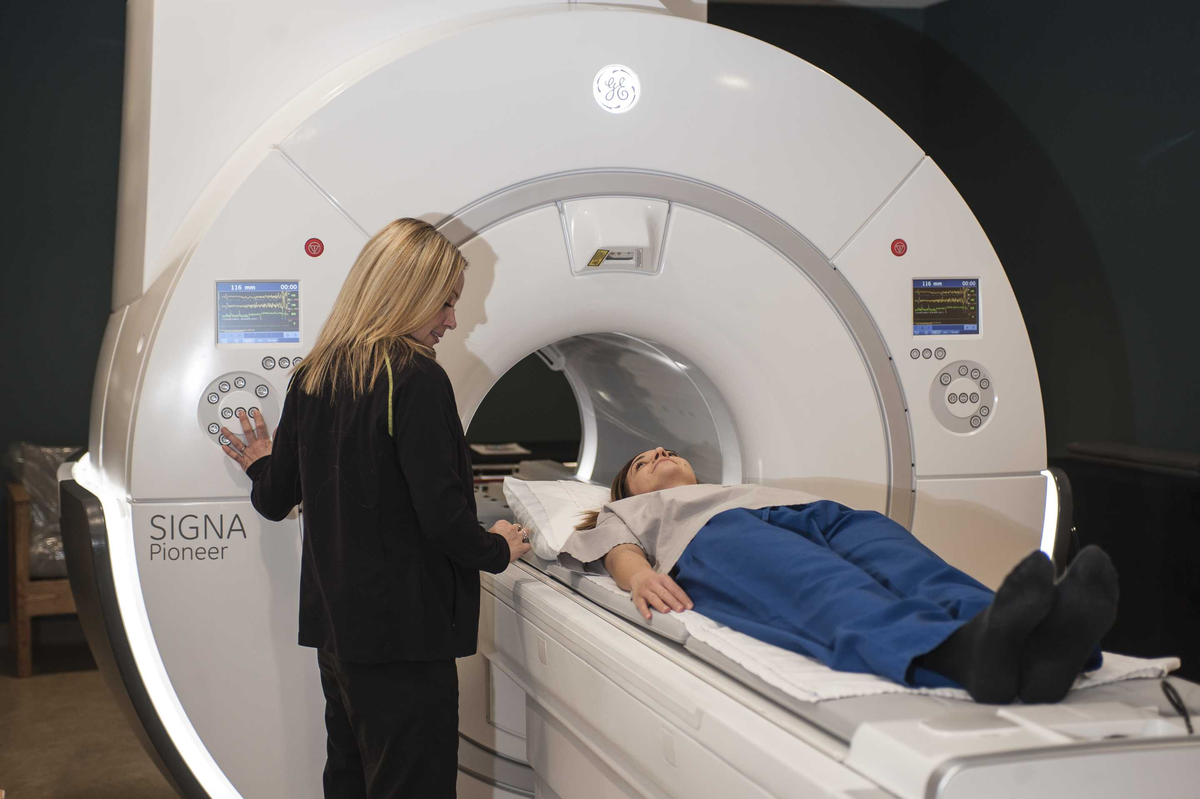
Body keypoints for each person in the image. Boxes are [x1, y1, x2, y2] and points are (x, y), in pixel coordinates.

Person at [219, 218, 531, 798]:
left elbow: (274, 499)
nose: (453, 320)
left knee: (350, 779)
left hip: (338, 631)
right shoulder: (416, 378)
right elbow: (443, 517)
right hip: (405, 635)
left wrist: (261, 462)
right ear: (405, 292)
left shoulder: (313, 374)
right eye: (445, 302)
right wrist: (498, 549)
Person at [563, 447, 1119, 705]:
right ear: (628, 492)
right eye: (642, 463)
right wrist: (639, 576)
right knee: (826, 587)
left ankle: (1033, 640)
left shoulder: (741, 485)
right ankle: (960, 654)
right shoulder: (634, 512)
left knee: (911, 566)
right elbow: (616, 550)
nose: (660, 454)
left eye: (666, 450)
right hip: (718, 536)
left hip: (819, 514)